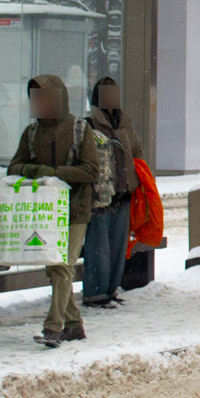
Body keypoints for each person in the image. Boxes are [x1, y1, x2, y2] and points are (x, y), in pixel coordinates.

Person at [8, 75, 100, 348]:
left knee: (61, 266)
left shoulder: (80, 130)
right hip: (44, 211)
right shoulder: (32, 133)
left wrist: (54, 173)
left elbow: (91, 171)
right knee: (55, 269)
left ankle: (53, 327)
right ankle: (74, 325)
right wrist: (30, 171)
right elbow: (13, 167)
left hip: (75, 210)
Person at [82, 77, 147, 309]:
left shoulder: (125, 122)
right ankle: (94, 294)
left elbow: (137, 152)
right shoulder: (88, 124)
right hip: (100, 197)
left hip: (124, 194)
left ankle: (110, 291)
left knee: (118, 248)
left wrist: (137, 180)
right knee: (98, 249)